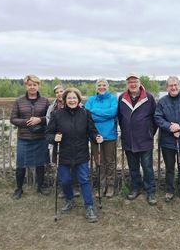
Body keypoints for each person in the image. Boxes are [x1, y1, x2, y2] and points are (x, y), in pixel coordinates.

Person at [46, 87, 102, 223]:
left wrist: (97, 137)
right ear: (65, 100)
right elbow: (48, 134)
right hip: (63, 153)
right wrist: (54, 138)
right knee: (65, 180)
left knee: (84, 179)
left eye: (74, 98)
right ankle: (69, 200)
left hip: (81, 153)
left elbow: (92, 131)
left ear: (78, 99)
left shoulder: (85, 113)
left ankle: (89, 207)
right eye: (69, 98)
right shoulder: (57, 115)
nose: (72, 100)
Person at [155, 76, 180, 203]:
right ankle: (169, 190)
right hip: (167, 141)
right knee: (169, 167)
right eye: (171, 85)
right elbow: (157, 118)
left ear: (179, 86)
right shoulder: (162, 101)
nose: (173, 87)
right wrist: (170, 127)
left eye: (176, 85)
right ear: (167, 87)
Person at [118, 73, 158, 205]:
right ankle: (136, 188)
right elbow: (120, 118)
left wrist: (150, 132)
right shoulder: (122, 98)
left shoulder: (149, 97)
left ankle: (150, 191)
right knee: (133, 167)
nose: (133, 84)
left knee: (147, 167)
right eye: (130, 82)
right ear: (127, 84)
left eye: (135, 81)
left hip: (145, 139)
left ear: (139, 83)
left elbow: (155, 118)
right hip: (129, 140)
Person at [10, 75, 50, 199]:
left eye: (34, 84)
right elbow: (13, 119)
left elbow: (50, 117)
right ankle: (19, 189)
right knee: (21, 164)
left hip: (40, 137)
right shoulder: (19, 101)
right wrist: (26, 122)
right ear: (26, 86)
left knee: (40, 164)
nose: (32, 87)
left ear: (38, 86)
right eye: (29, 84)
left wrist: (39, 119)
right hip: (24, 138)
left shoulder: (45, 101)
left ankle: (40, 187)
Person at [85, 78, 118, 198]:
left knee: (110, 161)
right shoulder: (91, 100)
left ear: (107, 87)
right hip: (94, 135)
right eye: (99, 85)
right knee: (99, 161)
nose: (102, 87)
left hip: (109, 135)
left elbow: (113, 113)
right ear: (96, 87)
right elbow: (88, 116)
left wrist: (95, 112)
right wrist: (105, 115)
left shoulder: (113, 99)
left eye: (104, 85)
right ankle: (101, 185)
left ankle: (110, 186)